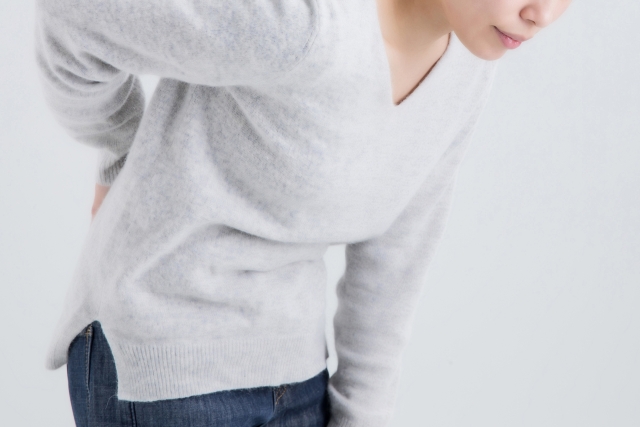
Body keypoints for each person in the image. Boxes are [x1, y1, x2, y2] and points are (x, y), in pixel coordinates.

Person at [34, 0, 572, 426]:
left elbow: (397, 258)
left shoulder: (469, 69)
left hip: (296, 369)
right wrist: (119, 154)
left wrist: (363, 415)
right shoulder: (304, 24)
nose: (544, 14)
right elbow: (74, 12)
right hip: (163, 360)